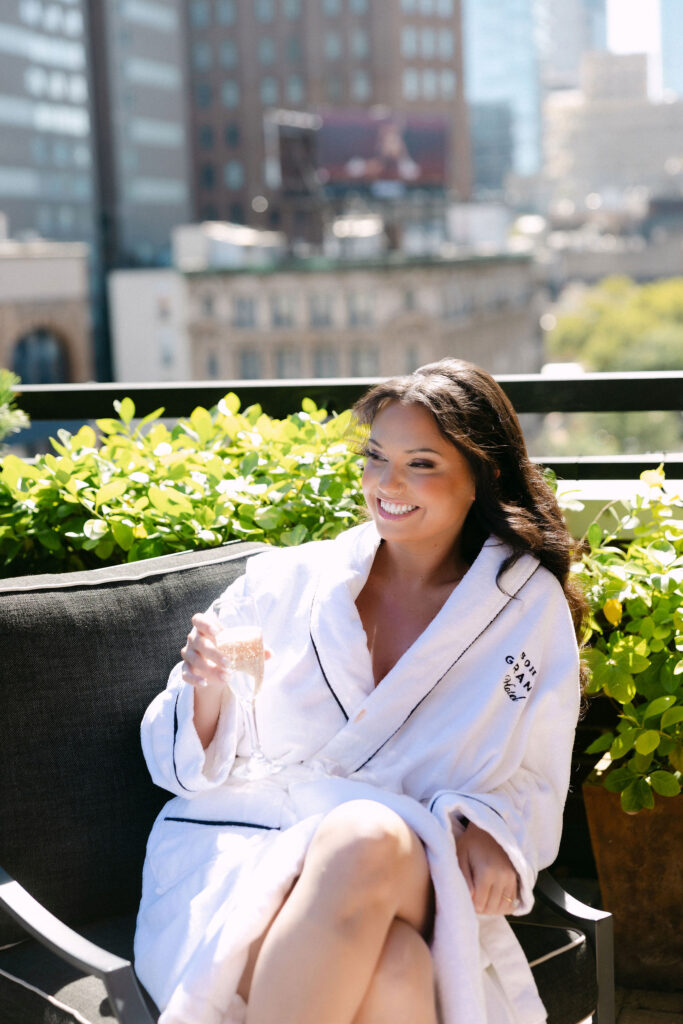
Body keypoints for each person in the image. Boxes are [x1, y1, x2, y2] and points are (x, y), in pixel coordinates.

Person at [134, 358, 586, 1024]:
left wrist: (496, 826)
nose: (388, 483)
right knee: (398, 971)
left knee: (365, 834)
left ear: (481, 475)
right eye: (376, 458)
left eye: (422, 463)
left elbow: (534, 764)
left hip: (401, 857)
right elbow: (183, 769)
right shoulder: (287, 579)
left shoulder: (521, 606)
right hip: (237, 854)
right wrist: (205, 695)